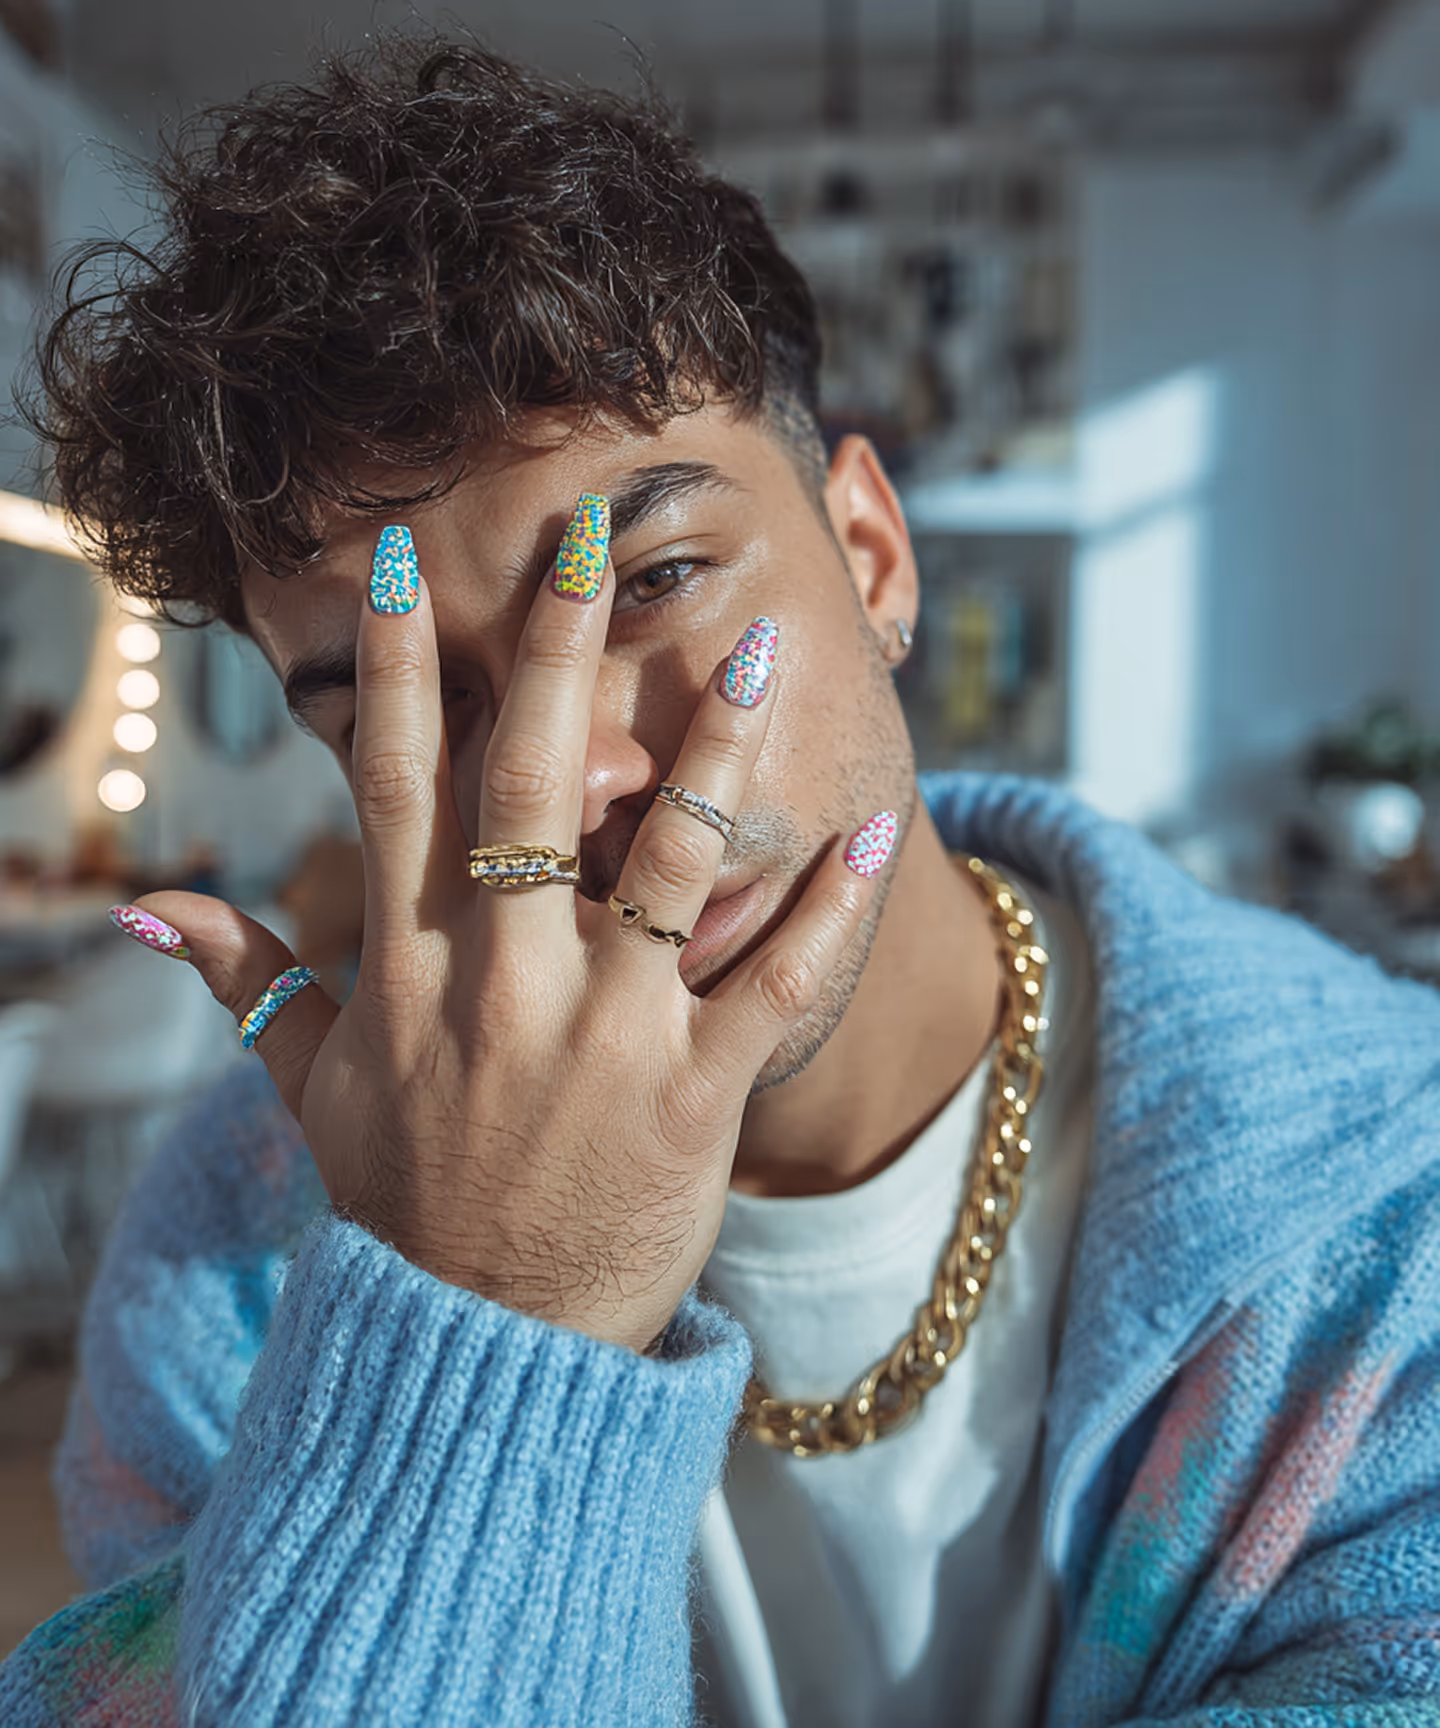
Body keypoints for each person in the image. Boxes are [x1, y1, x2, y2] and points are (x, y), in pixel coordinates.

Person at [5, 33, 1440, 1728]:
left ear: (878, 558)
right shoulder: (233, 1258)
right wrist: (486, 1327)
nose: (573, 779)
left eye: (655, 576)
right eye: (398, 701)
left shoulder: (1384, 1237)